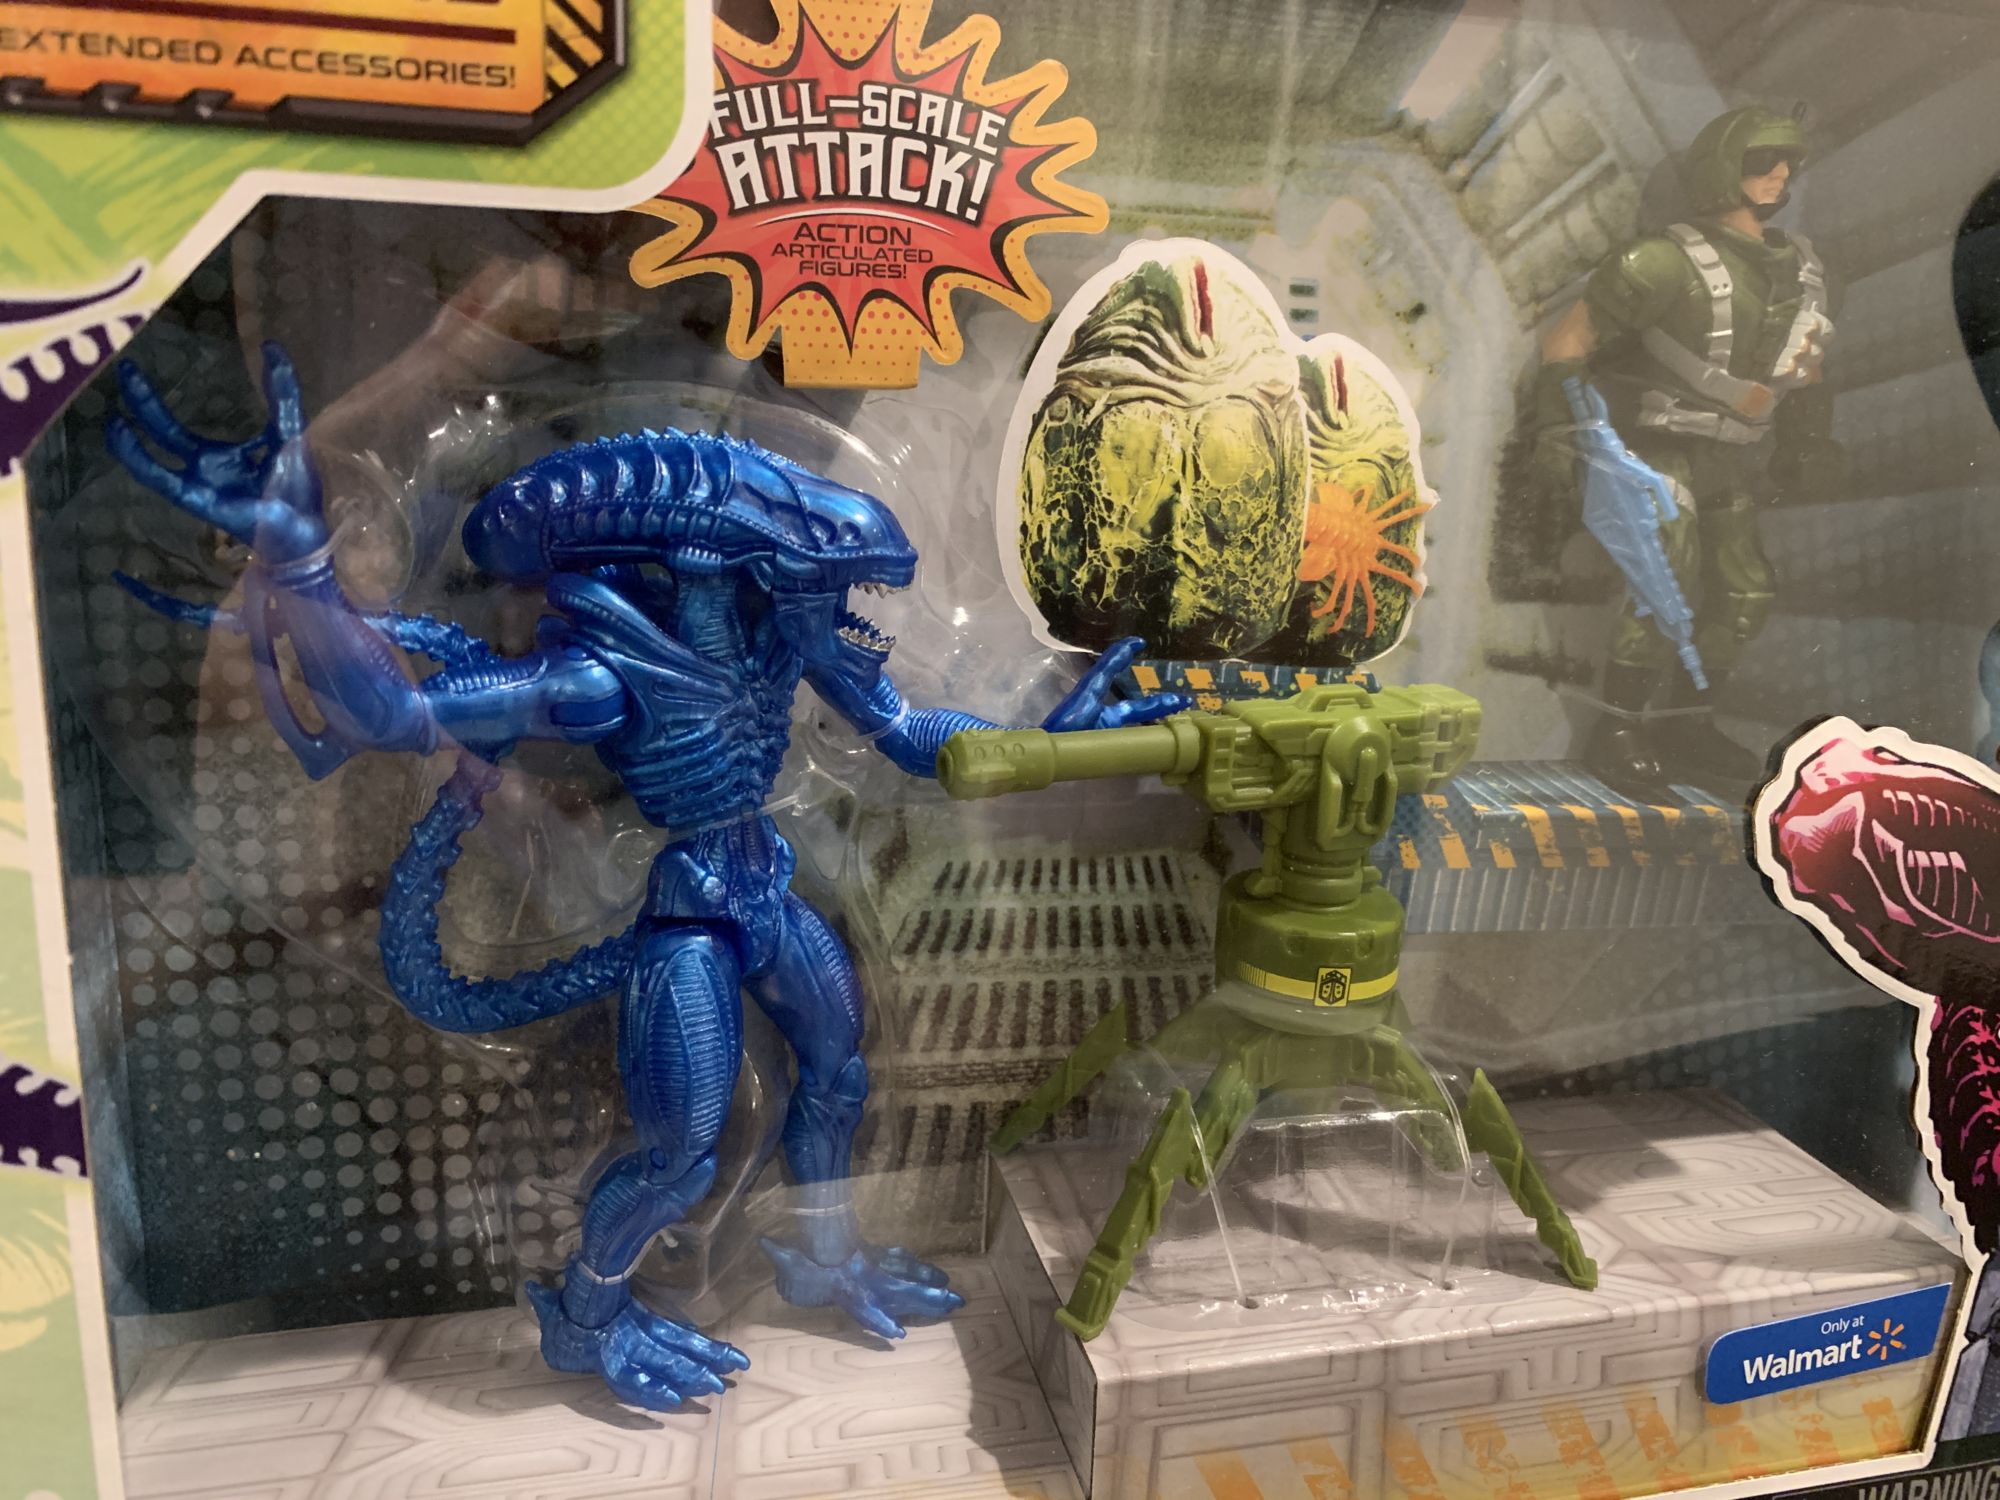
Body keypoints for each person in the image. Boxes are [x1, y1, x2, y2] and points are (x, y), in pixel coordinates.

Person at [1536, 104, 1845, 800]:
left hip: (1731, 456)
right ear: (1722, 166)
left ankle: (1685, 723)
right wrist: (1562, 434)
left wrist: (1808, 439)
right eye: (1761, 161)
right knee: (1663, 579)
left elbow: (1808, 370)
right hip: (1659, 446)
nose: (1779, 174)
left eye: (1788, 162)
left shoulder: (1806, 271)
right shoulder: (1660, 262)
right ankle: (1618, 726)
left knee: (1746, 591)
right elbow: (1567, 343)